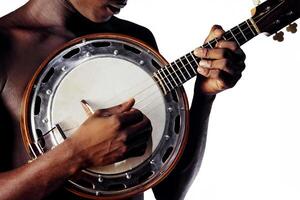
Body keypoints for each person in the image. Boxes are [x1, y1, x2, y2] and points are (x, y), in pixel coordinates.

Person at [0, 0, 246, 199]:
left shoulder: (134, 40)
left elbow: (170, 192)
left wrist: (204, 97)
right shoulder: (5, 44)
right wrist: (75, 155)